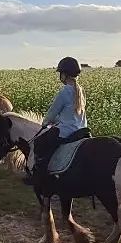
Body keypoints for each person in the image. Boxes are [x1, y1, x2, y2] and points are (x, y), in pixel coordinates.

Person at [26, 57, 90, 188]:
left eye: (61, 73)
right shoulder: (80, 90)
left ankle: (40, 176)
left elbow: (52, 113)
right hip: (82, 129)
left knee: (39, 143)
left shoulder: (65, 91)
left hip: (66, 131)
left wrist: (46, 123)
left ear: (64, 74)